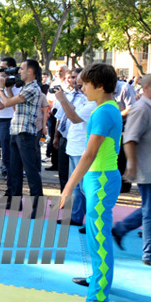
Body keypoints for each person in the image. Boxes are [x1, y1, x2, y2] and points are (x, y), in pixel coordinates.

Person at [60, 63, 122, 302]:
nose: (80, 86)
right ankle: (98, 278)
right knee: (96, 238)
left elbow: (89, 154)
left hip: (102, 179)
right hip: (99, 178)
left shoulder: (103, 112)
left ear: (99, 85)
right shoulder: (105, 108)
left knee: (99, 240)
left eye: (85, 83)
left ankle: (98, 301)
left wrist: (67, 188)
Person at [111, 74, 151, 270]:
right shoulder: (141, 109)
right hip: (149, 170)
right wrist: (132, 165)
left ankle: (121, 229)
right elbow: (130, 139)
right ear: (145, 88)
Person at [0, 59, 44, 216]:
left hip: (25, 134)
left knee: (31, 171)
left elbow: (8, 102)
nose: (19, 72)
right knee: (14, 170)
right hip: (16, 131)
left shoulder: (32, 88)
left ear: (30, 71)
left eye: (22, 69)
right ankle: (16, 202)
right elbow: (16, 105)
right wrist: (9, 90)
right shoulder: (26, 87)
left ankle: (38, 207)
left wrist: (1, 90)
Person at [54, 72, 95, 228]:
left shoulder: (92, 104)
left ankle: (83, 219)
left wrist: (62, 99)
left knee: (83, 187)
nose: (80, 88)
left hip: (81, 149)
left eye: (83, 84)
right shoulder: (84, 100)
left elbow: (74, 117)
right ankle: (76, 216)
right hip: (74, 146)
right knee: (77, 186)